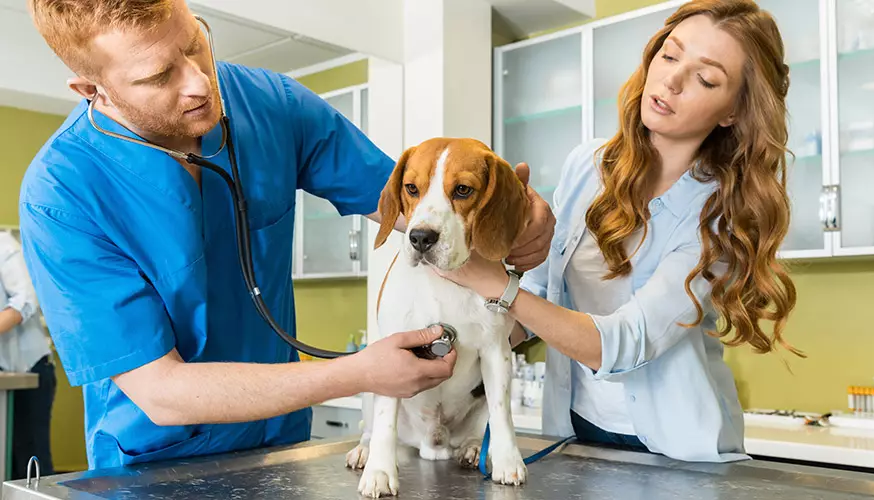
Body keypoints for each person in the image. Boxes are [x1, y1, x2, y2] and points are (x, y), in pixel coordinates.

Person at [18, 0, 554, 470]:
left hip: (278, 443)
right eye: (159, 76)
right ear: (93, 89)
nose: (200, 83)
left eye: (195, 41)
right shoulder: (61, 195)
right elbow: (161, 392)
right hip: (154, 460)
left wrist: (515, 230)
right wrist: (357, 373)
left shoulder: (271, 104)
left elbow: (412, 212)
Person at [436, 0, 801, 463]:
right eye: (669, 56)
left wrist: (491, 282)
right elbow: (535, 298)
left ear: (733, 111)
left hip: (676, 452)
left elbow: (625, 341)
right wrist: (453, 345)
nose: (671, 81)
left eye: (706, 79)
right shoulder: (587, 166)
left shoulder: (720, 217)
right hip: (573, 431)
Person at [0, 230, 56, 479]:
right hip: (5, 378)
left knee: (30, 464)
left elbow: (26, 298)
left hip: (29, 368)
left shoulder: (3, 244)